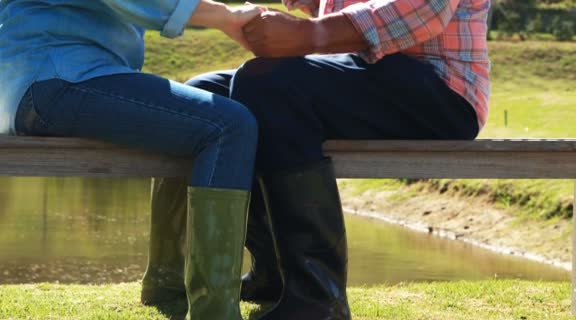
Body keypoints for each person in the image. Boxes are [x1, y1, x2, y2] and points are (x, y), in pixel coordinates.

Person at [144, 0, 491, 319]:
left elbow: (423, 9)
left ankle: (320, 298)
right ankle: (272, 274)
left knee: (267, 86)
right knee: (206, 98)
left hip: (441, 89)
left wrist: (304, 34)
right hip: (364, 66)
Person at [0, 0, 267, 319]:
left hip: (53, 79)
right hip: (59, 77)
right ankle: (214, 312)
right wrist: (226, 16)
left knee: (198, 126)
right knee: (229, 125)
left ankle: (167, 287)